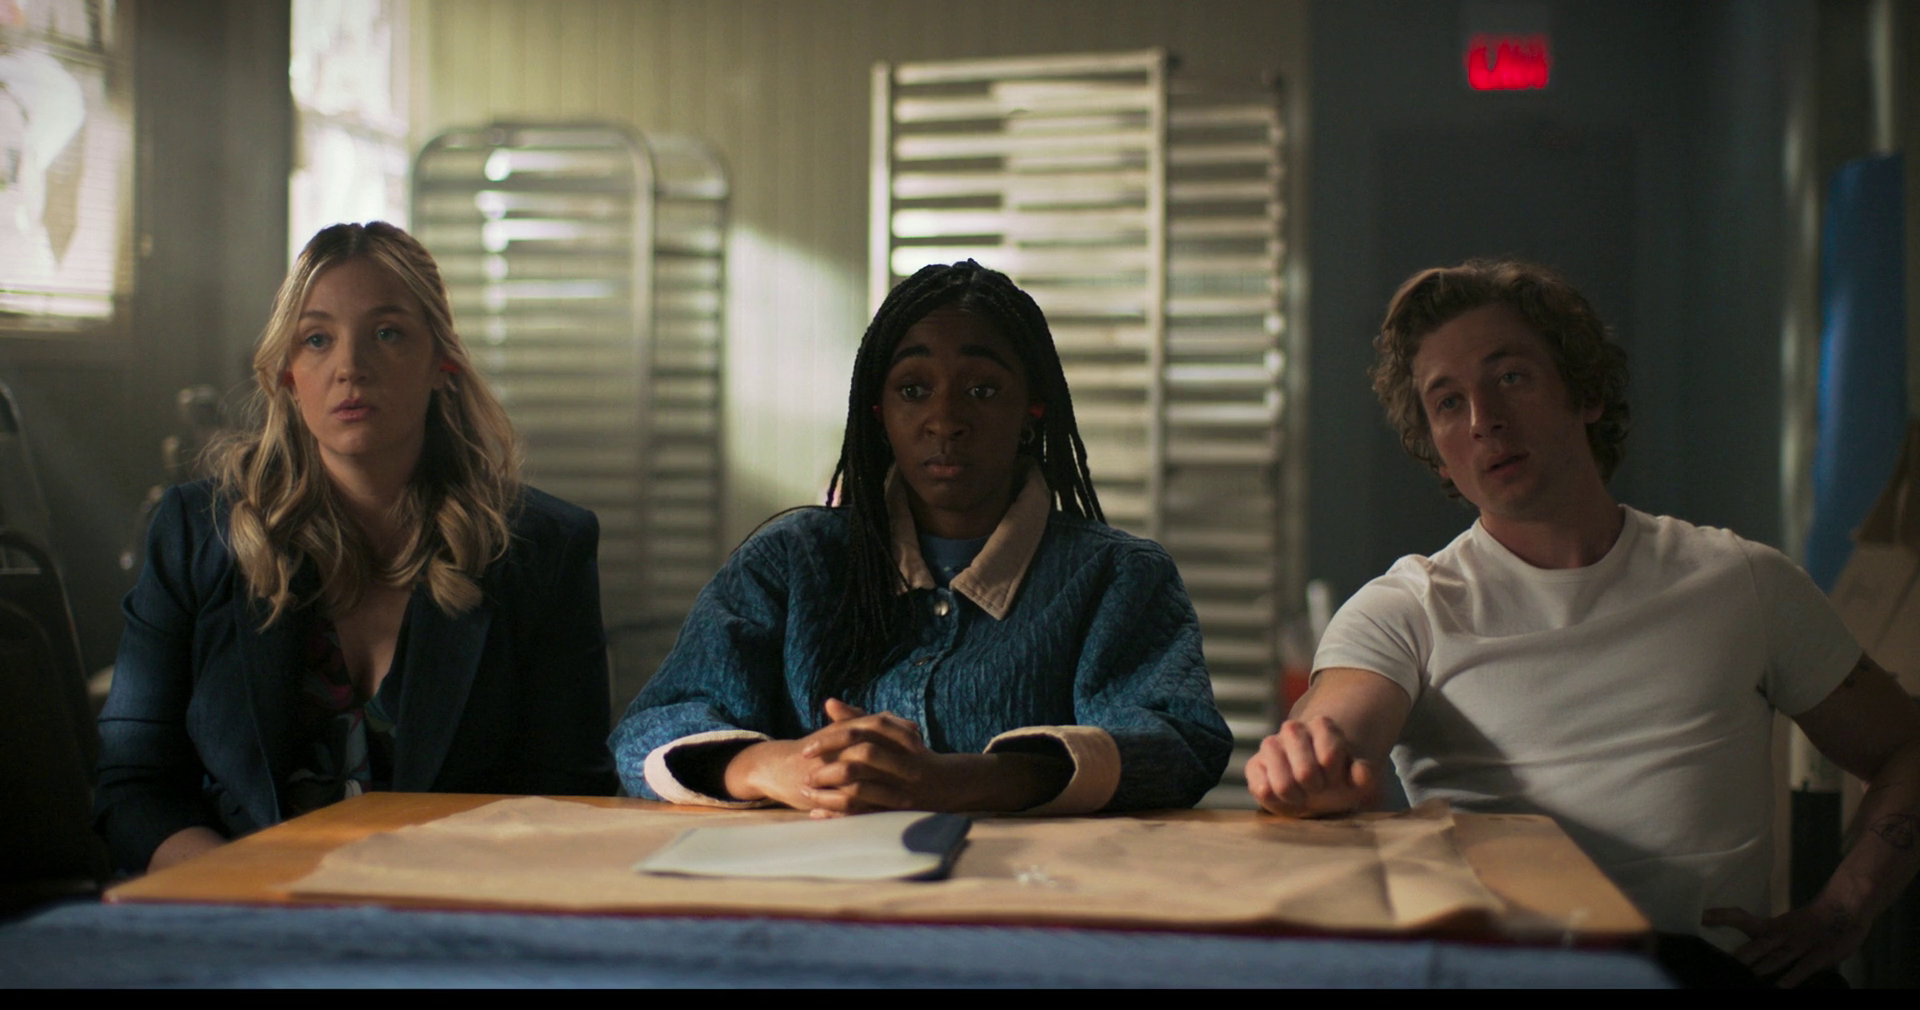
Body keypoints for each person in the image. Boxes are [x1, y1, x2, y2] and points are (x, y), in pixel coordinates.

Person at [1245, 260, 1920, 986]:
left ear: (1587, 393)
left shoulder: (1742, 581)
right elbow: (1337, 726)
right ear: (1436, 454)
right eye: (1447, 402)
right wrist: (1310, 766)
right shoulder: (1408, 609)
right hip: (1520, 973)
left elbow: (1906, 746)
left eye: (1511, 377)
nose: (1483, 420)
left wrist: (1846, 909)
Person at [612, 260, 1231, 815]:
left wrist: (967, 781)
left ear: (1032, 408)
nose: (945, 420)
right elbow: (649, 731)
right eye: (913, 390)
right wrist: (775, 767)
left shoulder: (1118, 577)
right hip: (814, 891)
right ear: (879, 412)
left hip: (1028, 893)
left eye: (982, 390)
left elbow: (1177, 744)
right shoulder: (789, 562)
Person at [95, 222, 618, 874]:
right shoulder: (195, 532)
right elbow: (134, 783)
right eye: (317, 339)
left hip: (457, 909)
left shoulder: (543, 548)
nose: (350, 367)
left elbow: (571, 793)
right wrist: (243, 889)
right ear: (288, 373)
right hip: (236, 905)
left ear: (442, 363)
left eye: (387, 333)